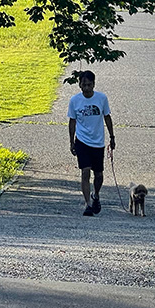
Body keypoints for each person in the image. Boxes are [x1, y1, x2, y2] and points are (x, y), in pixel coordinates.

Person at [68, 70, 115, 216]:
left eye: (89, 85)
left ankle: (96, 194)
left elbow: (107, 117)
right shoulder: (75, 101)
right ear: (79, 85)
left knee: (99, 174)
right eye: (84, 85)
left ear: (94, 84)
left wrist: (112, 137)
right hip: (82, 141)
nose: (86, 88)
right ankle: (87, 203)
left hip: (98, 142)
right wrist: (71, 142)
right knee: (85, 171)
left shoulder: (101, 98)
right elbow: (72, 122)